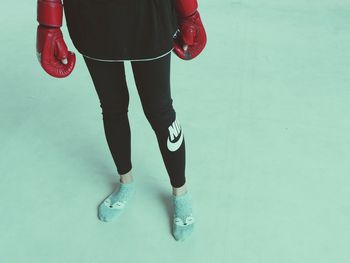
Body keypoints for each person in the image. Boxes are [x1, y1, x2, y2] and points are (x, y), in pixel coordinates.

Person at [36, 0, 207, 241]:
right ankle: (125, 181)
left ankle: (181, 192)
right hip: (92, 20)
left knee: (160, 111)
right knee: (112, 108)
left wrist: (189, 13)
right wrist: (48, 24)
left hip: (149, 17)